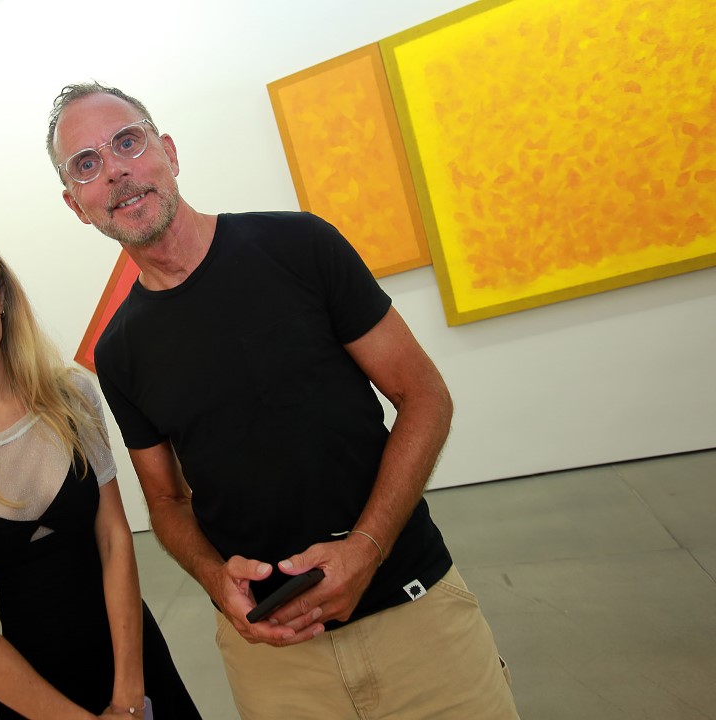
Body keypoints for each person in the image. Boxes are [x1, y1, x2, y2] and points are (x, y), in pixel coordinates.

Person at [47, 82, 520, 719]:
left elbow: (424, 396)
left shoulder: (299, 246)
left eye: (127, 141)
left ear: (168, 150)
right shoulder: (120, 351)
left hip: (415, 614)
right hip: (273, 660)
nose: (116, 171)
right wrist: (216, 579)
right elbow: (165, 500)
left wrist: (366, 549)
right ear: (77, 206)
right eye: (87, 164)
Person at [0, 225, 201, 720]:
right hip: (18, 694)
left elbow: (113, 539)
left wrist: (130, 695)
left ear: (2, 297)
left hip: (128, 661)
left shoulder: (72, 397)